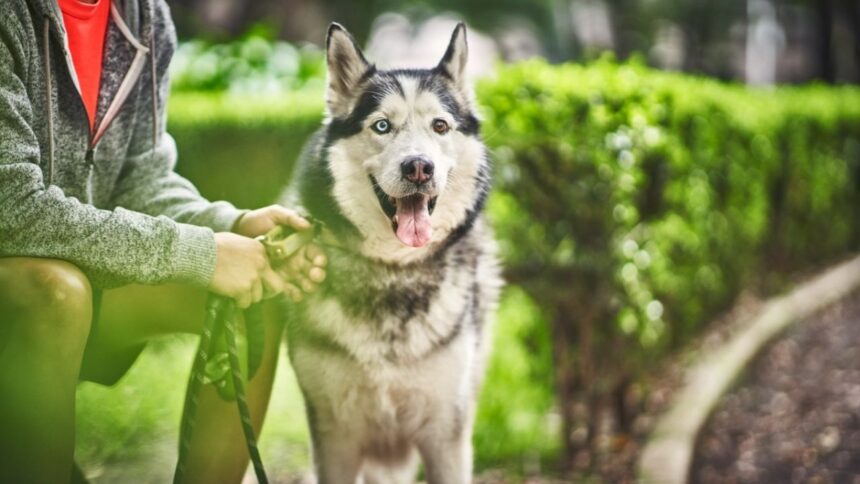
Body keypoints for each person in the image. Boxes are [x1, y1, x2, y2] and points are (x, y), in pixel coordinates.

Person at [0, 0, 325, 481]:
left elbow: (142, 179)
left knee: (255, 294)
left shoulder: (142, 15)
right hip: (34, 296)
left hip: (83, 281)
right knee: (56, 291)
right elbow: (13, 209)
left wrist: (231, 228)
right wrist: (200, 253)